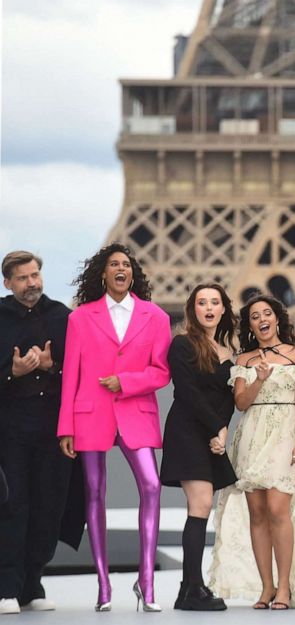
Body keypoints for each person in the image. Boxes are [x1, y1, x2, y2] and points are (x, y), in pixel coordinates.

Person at [57, 243, 172, 612]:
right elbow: (70, 376)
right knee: (94, 492)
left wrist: (126, 381)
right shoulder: (80, 318)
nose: (121, 268)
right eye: (114, 264)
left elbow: (161, 371)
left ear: (132, 273)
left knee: (152, 485)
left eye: (126, 264)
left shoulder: (155, 316)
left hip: (135, 410)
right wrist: (65, 428)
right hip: (90, 415)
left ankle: (147, 583)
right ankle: (104, 585)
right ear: (102, 273)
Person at [208, 295, 295, 610]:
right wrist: (259, 380)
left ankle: (284, 587)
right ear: (251, 325)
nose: (262, 319)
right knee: (257, 513)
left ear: (277, 319)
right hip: (252, 434)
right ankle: (266, 587)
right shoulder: (243, 361)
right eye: (255, 316)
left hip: (286, 433)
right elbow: (240, 403)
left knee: (279, 510)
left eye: (267, 313)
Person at [0, 251, 71, 614]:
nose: (32, 283)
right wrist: (13, 372)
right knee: (13, 505)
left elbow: (81, 372)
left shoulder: (62, 316)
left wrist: (51, 366)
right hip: (10, 428)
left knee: (49, 505)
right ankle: (7, 587)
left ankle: (33, 585)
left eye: (36, 275)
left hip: (53, 427)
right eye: (24, 277)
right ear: (7, 282)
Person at [160, 284, 238, 611]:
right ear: (193, 309)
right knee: (201, 505)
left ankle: (186, 588)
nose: (208, 307)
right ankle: (194, 588)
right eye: (202, 302)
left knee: (202, 507)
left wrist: (221, 430)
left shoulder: (229, 352)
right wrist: (216, 428)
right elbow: (188, 393)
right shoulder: (182, 344)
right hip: (187, 431)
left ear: (223, 309)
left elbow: (228, 398)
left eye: (214, 302)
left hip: (210, 435)